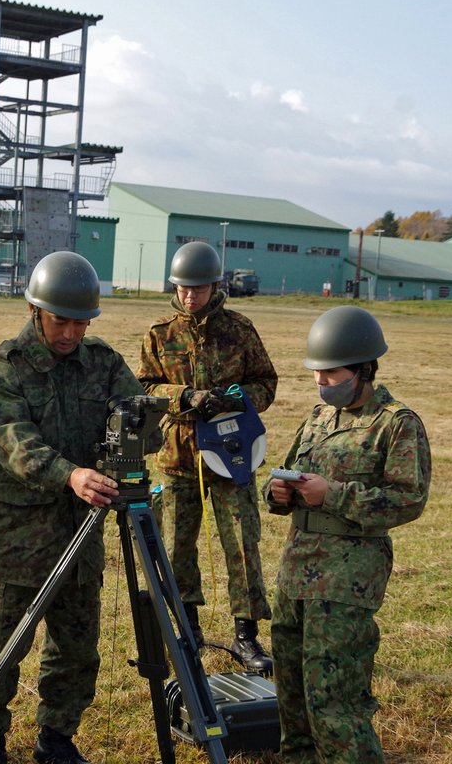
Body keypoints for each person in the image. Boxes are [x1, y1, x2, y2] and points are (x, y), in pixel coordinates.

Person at [0, 251, 151, 764]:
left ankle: (57, 738)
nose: (71, 332)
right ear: (34, 309)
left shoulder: (104, 362)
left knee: (76, 646)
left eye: (81, 321)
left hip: (84, 526)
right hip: (21, 531)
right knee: (0, 643)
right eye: (60, 320)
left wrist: (143, 426)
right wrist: (69, 473)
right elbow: (12, 441)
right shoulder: (6, 367)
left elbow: (138, 417)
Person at [264, 305, 431, 763]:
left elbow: (408, 499)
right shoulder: (318, 419)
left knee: (334, 699)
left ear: (363, 369)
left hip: (346, 580)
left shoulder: (396, 424)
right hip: (296, 571)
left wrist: (333, 494)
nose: (321, 383)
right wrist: (278, 492)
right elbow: (286, 477)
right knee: (292, 695)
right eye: (317, 374)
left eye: (331, 374)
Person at [136, 240, 278, 671]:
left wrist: (234, 399)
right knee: (177, 547)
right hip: (178, 459)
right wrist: (187, 396)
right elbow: (143, 388)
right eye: (182, 288)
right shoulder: (160, 335)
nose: (189, 296)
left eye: (197, 288)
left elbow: (266, 384)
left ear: (215, 285)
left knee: (242, 546)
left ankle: (246, 636)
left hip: (233, 457)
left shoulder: (239, 329)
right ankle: (188, 629)